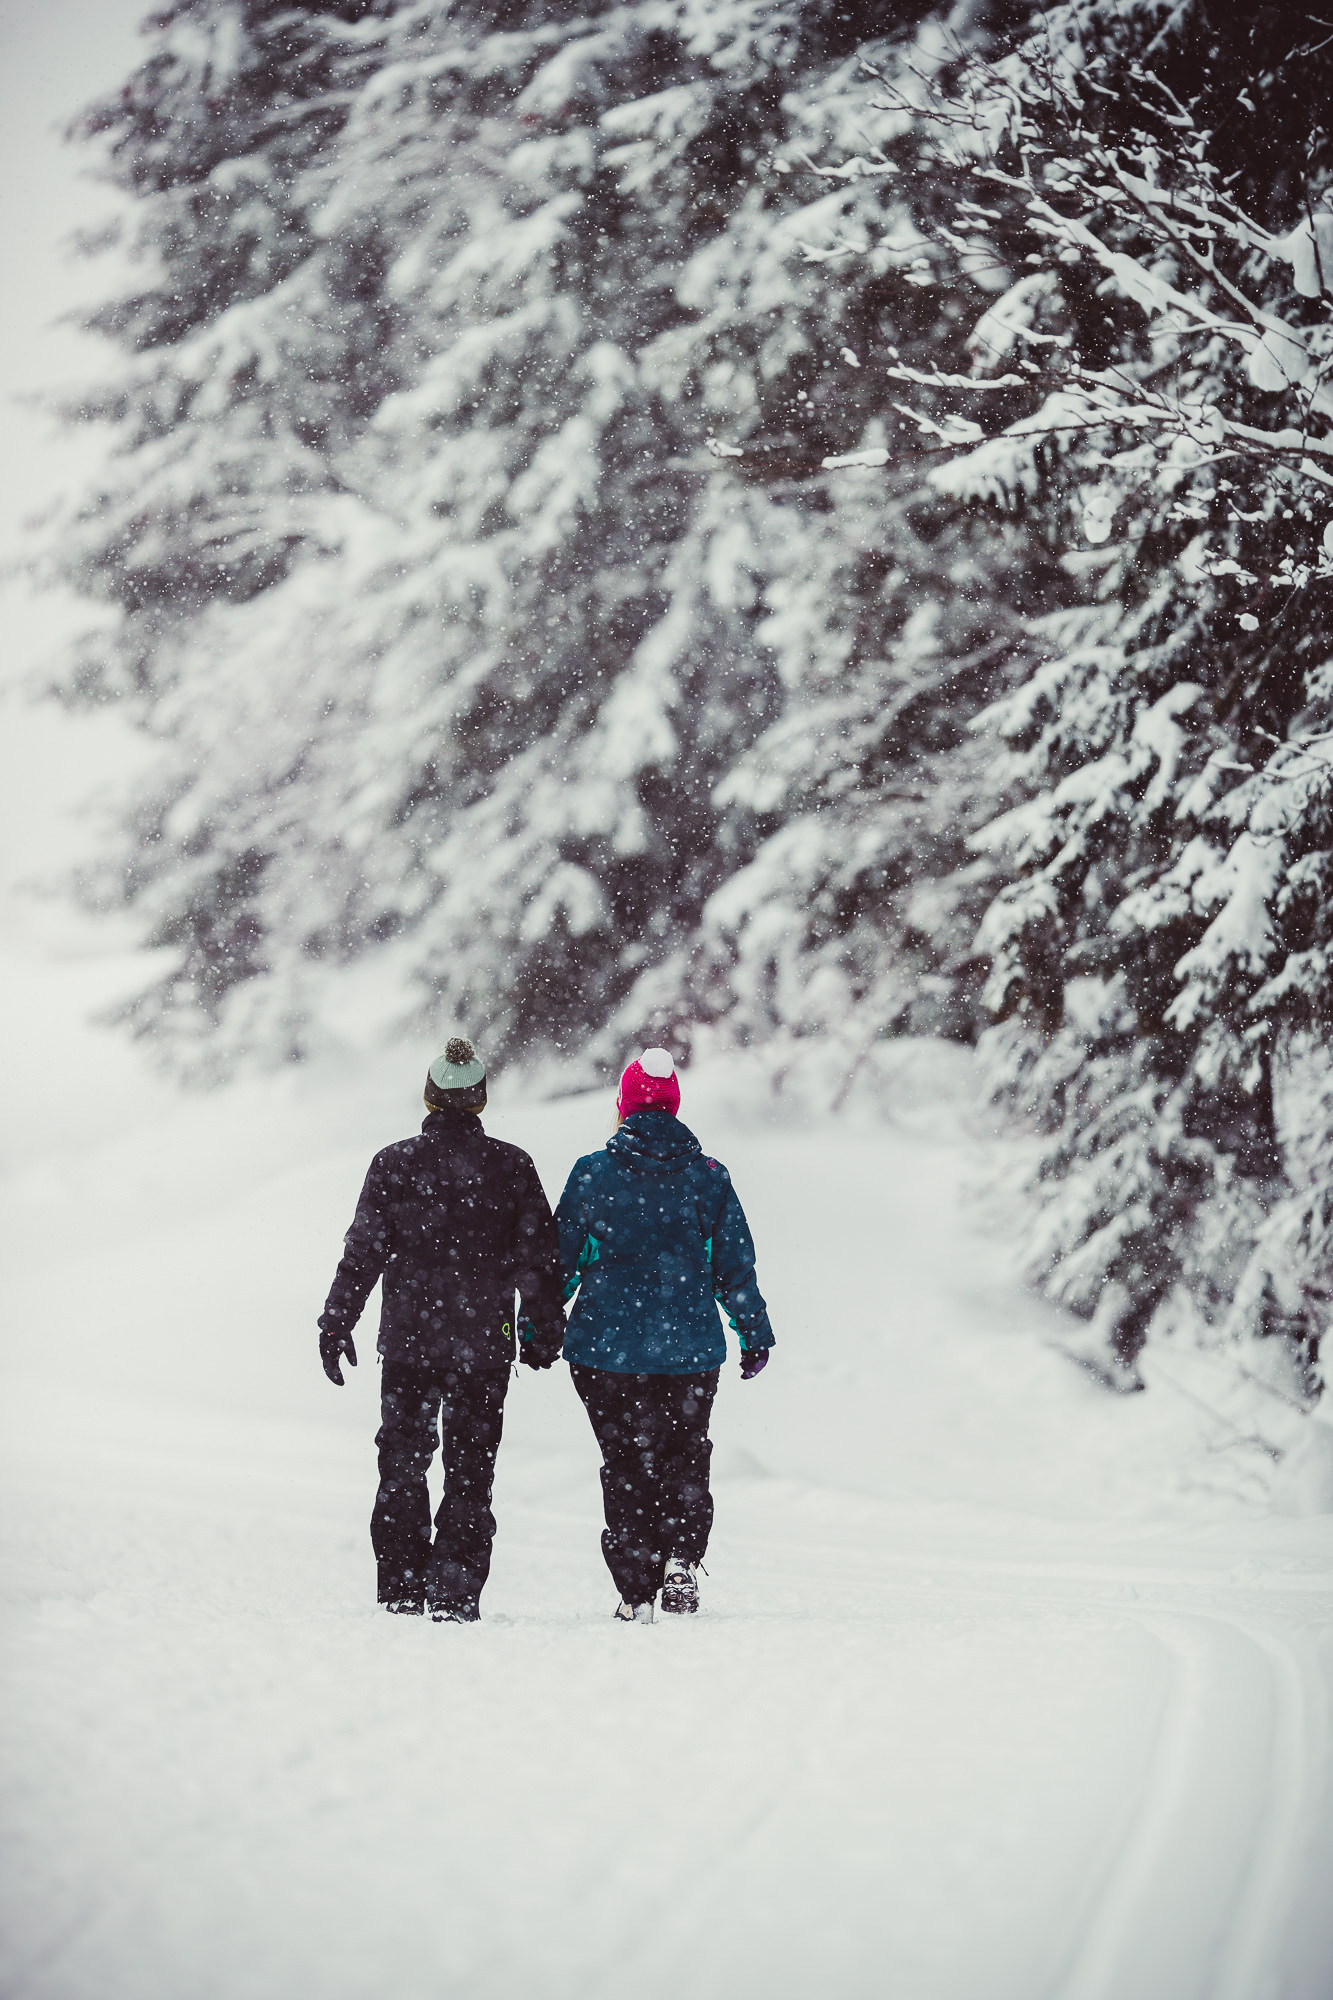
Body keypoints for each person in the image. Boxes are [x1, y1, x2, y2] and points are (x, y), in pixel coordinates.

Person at [317, 1038, 564, 1621]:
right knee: (471, 1467)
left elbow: (363, 1253)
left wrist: (337, 1319)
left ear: (429, 1097)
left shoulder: (394, 1163)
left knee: (402, 1462)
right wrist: (542, 1329)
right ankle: (454, 1590)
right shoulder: (511, 1166)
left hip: (409, 1343)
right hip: (483, 1346)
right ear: (480, 1099)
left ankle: (402, 1586)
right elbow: (538, 1259)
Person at [555, 1047, 773, 1623]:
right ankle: (681, 1558)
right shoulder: (709, 1178)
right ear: (674, 1108)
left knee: (624, 1461)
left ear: (624, 1106)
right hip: (690, 1349)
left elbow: (561, 1263)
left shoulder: (593, 1173)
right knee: (684, 1455)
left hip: (605, 1350)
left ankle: (635, 1588)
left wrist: (537, 1325)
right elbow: (734, 1266)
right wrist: (753, 1330)